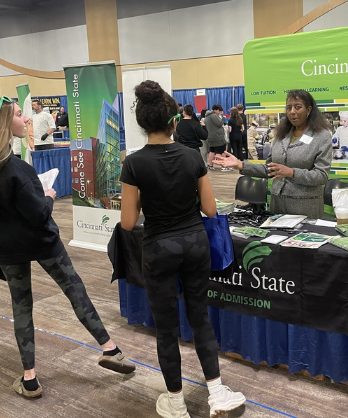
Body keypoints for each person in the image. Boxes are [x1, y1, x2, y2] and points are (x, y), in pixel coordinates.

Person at [0, 96, 135, 402]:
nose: (27, 121)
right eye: (20, 115)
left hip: (7, 252)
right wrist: (48, 194)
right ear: (3, 123)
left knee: (21, 307)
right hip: (42, 242)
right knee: (74, 290)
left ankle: (30, 379)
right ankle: (109, 349)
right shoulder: (16, 170)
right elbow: (38, 213)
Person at [120, 80, 245, 418]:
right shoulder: (191, 157)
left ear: (143, 124)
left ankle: (176, 402)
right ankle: (217, 393)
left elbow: (128, 222)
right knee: (200, 318)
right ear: (174, 122)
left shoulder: (133, 164)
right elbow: (210, 209)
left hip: (158, 248)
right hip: (194, 244)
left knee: (166, 327)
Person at [213, 89, 332, 219]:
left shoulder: (321, 136)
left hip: (305, 206)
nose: (292, 111)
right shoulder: (282, 134)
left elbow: (321, 176)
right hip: (277, 203)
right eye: (289, 107)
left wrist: (292, 173)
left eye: (298, 107)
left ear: (308, 110)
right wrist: (241, 165)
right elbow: (270, 169)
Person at [204, 104, 227, 170]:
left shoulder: (207, 116)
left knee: (212, 151)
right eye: (219, 111)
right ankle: (223, 166)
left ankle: (211, 166)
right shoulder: (213, 115)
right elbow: (220, 124)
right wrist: (223, 118)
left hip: (210, 137)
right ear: (216, 110)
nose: (220, 113)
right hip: (217, 137)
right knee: (220, 152)